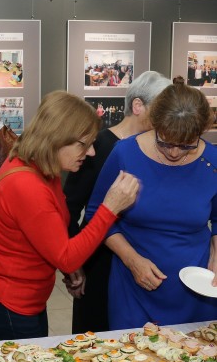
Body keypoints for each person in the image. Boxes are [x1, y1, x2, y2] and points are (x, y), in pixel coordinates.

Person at [0, 91, 139, 341]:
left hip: (24, 297)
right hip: (9, 302)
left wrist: (69, 265)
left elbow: (50, 236)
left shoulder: (43, 168)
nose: (91, 152)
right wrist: (109, 209)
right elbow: (66, 257)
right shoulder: (27, 184)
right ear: (57, 139)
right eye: (84, 144)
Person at [86, 81, 217, 330]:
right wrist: (132, 260)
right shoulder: (125, 153)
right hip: (135, 285)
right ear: (154, 124)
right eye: (165, 142)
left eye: (187, 145)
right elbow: (96, 215)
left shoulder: (213, 161)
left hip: (195, 288)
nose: (175, 152)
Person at [63, 71, 171, 333]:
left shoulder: (159, 149)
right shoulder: (97, 146)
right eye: (161, 109)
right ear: (137, 106)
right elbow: (69, 207)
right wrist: (73, 264)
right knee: (96, 334)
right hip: (100, 262)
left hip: (143, 263)